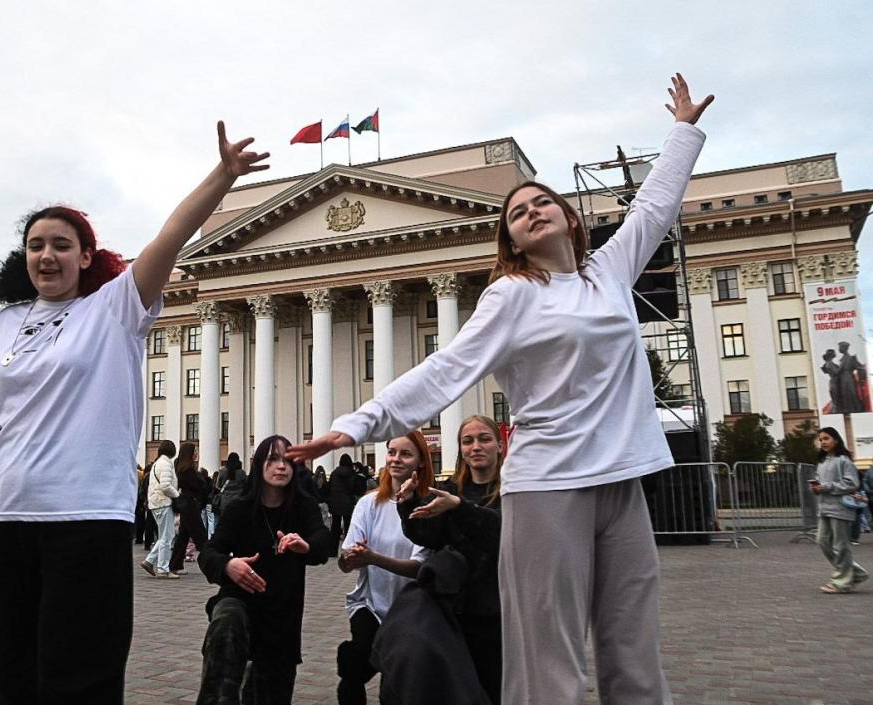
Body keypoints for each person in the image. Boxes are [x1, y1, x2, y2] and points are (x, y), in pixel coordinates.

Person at [291, 75, 713, 705]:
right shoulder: (514, 294)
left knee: (634, 652)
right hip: (548, 487)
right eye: (517, 212)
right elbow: (446, 369)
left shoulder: (611, 272)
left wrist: (681, 131)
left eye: (542, 202)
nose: (532, 211)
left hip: (622, 482)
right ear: (511, 241)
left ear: (570, 218)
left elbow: (654, 207)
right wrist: (357, 424)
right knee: (549, 660)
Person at [0, 121, 269, 704]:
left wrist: (223, 176)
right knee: (10, 669)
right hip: (8, 517)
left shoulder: (115, 309)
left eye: (60, 244)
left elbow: (171, 236)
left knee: (81, 672)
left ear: (85, 256)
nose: (46, 255)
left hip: (87, 517)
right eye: (36, 245)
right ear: (24, 258)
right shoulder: (5, 323)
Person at [196, 435, 332, 704]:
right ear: (259, 465)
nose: (281, 466)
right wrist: (228, 565)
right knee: (227, 619)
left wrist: (306, 546)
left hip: (282, 617)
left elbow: (322, 542)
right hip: (241, 602)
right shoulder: (240, 509)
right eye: (272, 459)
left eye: (288, 461)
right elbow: (209, 553)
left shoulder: (303, 507)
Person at [391, 415, 504, 704]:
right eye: (467, 441)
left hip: (500, 613)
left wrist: (459, 508)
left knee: (495, 688)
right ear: (461, 449)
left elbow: (501, 535)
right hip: (455, 610)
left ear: (500, 446)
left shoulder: (514, 491)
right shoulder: (452, 490)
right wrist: (408, 504)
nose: (475, 447)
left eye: (484, 439)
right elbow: (429, 536)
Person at [337, 431, 432, 705]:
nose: (396, 459)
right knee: (354, 669)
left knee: (397, 678)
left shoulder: (427, 505)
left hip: (412, 608)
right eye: (392, 452)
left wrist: (373, 558)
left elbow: (418, 568)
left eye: (405, 454)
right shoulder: (368, 503)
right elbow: (347, 563)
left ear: (421, 462)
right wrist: (351, 558)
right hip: (368, 603)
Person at [810, 426, 869, 593]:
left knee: (840, 545)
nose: (823, 442)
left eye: (826, 438)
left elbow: (852, 483)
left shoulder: (844, 461)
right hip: (824, 508)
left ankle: (842, 583)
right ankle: (855, 573)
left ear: (836, 440)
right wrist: (815, 487)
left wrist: (826, 487)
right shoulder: (821, 462)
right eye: (820, 439)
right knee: (822, 541)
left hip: (841, 508)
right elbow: (819, 481)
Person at [168, 443, 210, 577]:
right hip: (190, 504)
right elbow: (199, 485)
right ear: (189, 454)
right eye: (195, 451)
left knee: (183, 536)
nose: (196, 453)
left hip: (186, 504)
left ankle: (175, 565)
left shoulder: (181, 468)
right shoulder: (188, 470)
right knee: (200, 535)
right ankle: (211, 563)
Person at [141, 440, 180, 579]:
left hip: (156, 502)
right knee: (167, 537)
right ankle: (163, 569)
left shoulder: (158, 463)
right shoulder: (166, 465)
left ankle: (150, 561)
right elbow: (165, 486)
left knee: (165, 535)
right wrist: (177, 494)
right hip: (163, 502)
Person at [328, 453, 361, 546]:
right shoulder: (352, 473)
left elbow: (330, 487)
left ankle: (333, 549)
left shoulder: (334, 472)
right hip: (348, 502)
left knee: (335, 526)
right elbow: (355, 488)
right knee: (348, 525)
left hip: (335, 503)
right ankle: (349, 546)